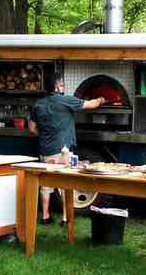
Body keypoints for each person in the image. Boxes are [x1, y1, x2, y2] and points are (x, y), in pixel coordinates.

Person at [28, 72, 105, 225]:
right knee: (64, 184)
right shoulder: (66, 100)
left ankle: (45, 217)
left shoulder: (38, 104)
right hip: (63, 150)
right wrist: (101, 99)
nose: (63, 87)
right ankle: (65, 218)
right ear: (56, 86)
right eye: (62, 84)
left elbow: (31, 128)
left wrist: (45, 135)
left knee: (46, 185)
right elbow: (91, 104)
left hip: (46, 150)